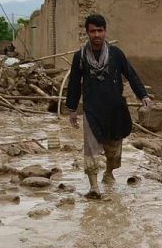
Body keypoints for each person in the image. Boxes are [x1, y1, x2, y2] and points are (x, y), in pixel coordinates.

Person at [65, 14, 154, 198]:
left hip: (115, 110)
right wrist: (72, 109)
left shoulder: (115, 54)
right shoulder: (80, 57)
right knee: (90, 148)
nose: (96, 35)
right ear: (87, 33)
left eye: (100, 30)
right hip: (92, 110)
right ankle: (94, 187)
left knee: (113, 151)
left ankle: (109, 172)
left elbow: (131, 74)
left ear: (105, 31)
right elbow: (74, 83)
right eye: (92, 31)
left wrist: (143, 95)